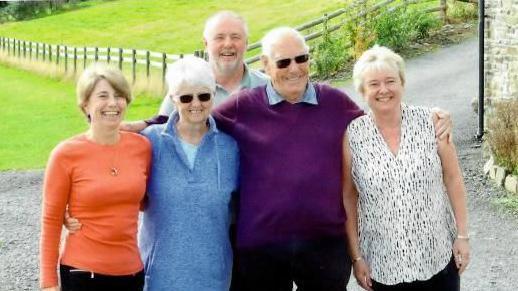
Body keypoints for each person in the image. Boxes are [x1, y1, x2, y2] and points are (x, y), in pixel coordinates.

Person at [213, 27, 453, 291]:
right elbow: (192, 118)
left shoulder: (334, 102)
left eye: (301, 59)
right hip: (262, 247)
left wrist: (430, 116)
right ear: (266, 66)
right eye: (283, 62)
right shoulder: (242, 107)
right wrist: (159, 132)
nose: (294, 68)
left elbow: (380, 118)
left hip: (324, 243)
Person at [342, 45, 470, 291]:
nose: (383, 90)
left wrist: (463, 236)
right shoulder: (353, 135)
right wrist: (357, 257)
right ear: (362, 91)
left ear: (402, 83)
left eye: (390, 81)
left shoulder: (432, 122)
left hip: (438, 256)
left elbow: (453, 179)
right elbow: (349, 197)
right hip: (383, 263)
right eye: (373, 84)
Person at [39, 64, 151, 291]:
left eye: (119, 96)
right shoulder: (65, 154)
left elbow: (143, 202)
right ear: (85, 105)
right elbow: (50, 221)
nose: (112, 103)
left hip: (131, 272)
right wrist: (48, 284)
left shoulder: (143, 147)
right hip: (82, 272)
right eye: (103, 96)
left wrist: (145, 123)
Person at [138, 56, 239, 290]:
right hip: (158, 276)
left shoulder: (231, 147)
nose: (196, 103)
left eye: (204, 95)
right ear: (173, 99)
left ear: (214, 94)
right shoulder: (149, 142)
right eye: (186, 97)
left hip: (213, 276)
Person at [122, 10, 268, 132]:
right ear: (206, 44)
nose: (228, 44)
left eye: (235, 37)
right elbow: (164, 124)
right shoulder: (188, 85)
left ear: (246, 43)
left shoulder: (268, 87)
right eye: (219, 38)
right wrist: (133, 126)